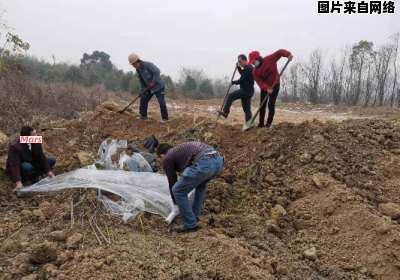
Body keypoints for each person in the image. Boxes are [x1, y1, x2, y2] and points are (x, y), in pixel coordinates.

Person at [158, 141, 224, 233]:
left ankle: (190, 224)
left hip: (205, 163)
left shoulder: (167, 157)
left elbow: (172, 180)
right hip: (218, 161)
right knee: (200, 185)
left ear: (162, 155)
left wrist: (175, 204)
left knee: (177, 190)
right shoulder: (180, 151)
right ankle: (194, 217)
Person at [248, 50, 293, 128]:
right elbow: (260, 82)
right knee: (262, 105)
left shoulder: (269, 59)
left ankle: (268, 124)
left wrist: (288, 54)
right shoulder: (255, 72)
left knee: (271, 105)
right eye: (252, 62)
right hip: (265, 88)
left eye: (254, 61)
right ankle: (261, 124)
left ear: (258, 58)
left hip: (275, 84)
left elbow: (279, 52)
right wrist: (267, 88)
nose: (253, 63)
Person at [6, 126, 56, 191]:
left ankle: (35, 175)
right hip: (22, 168)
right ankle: (30, 178)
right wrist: (18, 182)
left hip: (32, 163)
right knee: (27, 167)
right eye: (34, 134)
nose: (36, 135)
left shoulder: (36, 141)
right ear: (27, 137)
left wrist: (48, 171)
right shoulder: (15, 147)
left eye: (36, 133)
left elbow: (41, 156)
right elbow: (14, 165)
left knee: (51, 160)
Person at [128, 53, 169, 122]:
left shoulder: (148, 65)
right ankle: (143, 115)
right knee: (143, 98)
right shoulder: (138, 70)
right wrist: (141, 91)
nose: (134, 66)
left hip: (159, 86)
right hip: (149, 88)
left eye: (134, 64)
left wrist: (153, 82)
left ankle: (165, 118)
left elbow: (157, 72)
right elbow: (142, 82)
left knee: (161, 102)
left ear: (138, 61)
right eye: (132, 65)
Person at [218, 54, 255, 122]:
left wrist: (232, 82)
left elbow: (241, 80)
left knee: (231, 96)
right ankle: (249, 123)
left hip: (246, 91)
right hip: (248, 91)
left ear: (244, 60)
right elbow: (243, 74)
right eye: (238, 62)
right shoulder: (248, 68)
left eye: (240, 62)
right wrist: (238, 68)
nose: (239, 63)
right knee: (246, 108)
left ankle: (226, 112)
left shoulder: (249, 68)